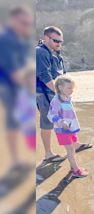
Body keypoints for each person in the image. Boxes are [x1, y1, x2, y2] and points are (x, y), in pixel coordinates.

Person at [0, 6, 33, 167]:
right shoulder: (6, 39)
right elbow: (13, 70)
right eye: (23, 22)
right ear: (12, 20)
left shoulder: (20, 39)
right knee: (14, 123)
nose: (26, 26)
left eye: (28, 23)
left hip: (17, 86)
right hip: (8, 86)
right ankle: (14, 159)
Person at [36, 26, 68, 163]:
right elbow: (44, 75)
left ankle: (73, 144)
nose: (59, 44)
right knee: (47, 123)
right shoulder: (40, 52)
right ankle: (48, 154)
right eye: (56, 41)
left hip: (50, 92)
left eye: (61, 42)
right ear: (46, 38)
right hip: (44, 93)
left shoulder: (52, 52)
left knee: (64, 119)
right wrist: (60, 93)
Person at [47, 77, 89, 177]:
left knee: (72, 148)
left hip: (70, 129)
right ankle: (75, 170)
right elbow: (51, 114)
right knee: (70, 150)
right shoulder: (56, 100)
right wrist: (61, 121)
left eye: (72, 88)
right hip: (62, 130)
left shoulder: (66, 98)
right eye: (69, 88)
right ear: (60, 87)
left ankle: (72, 166)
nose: (72, 90)